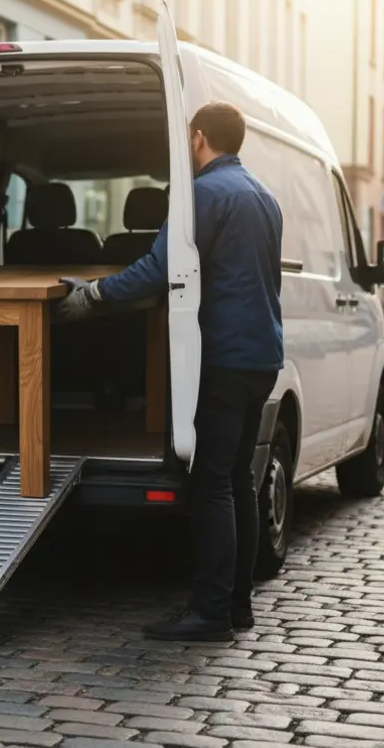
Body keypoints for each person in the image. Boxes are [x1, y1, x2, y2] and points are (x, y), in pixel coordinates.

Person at [56, 101, 284, 642]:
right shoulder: (264, 196)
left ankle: (209, 613)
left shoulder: (202, 194)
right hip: (261, 357)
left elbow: (161, 268)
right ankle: (237, 604)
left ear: (199, 137)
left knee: (210, 484)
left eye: (187, 137)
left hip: (223, 358)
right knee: (237, 482)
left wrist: (92, 296)